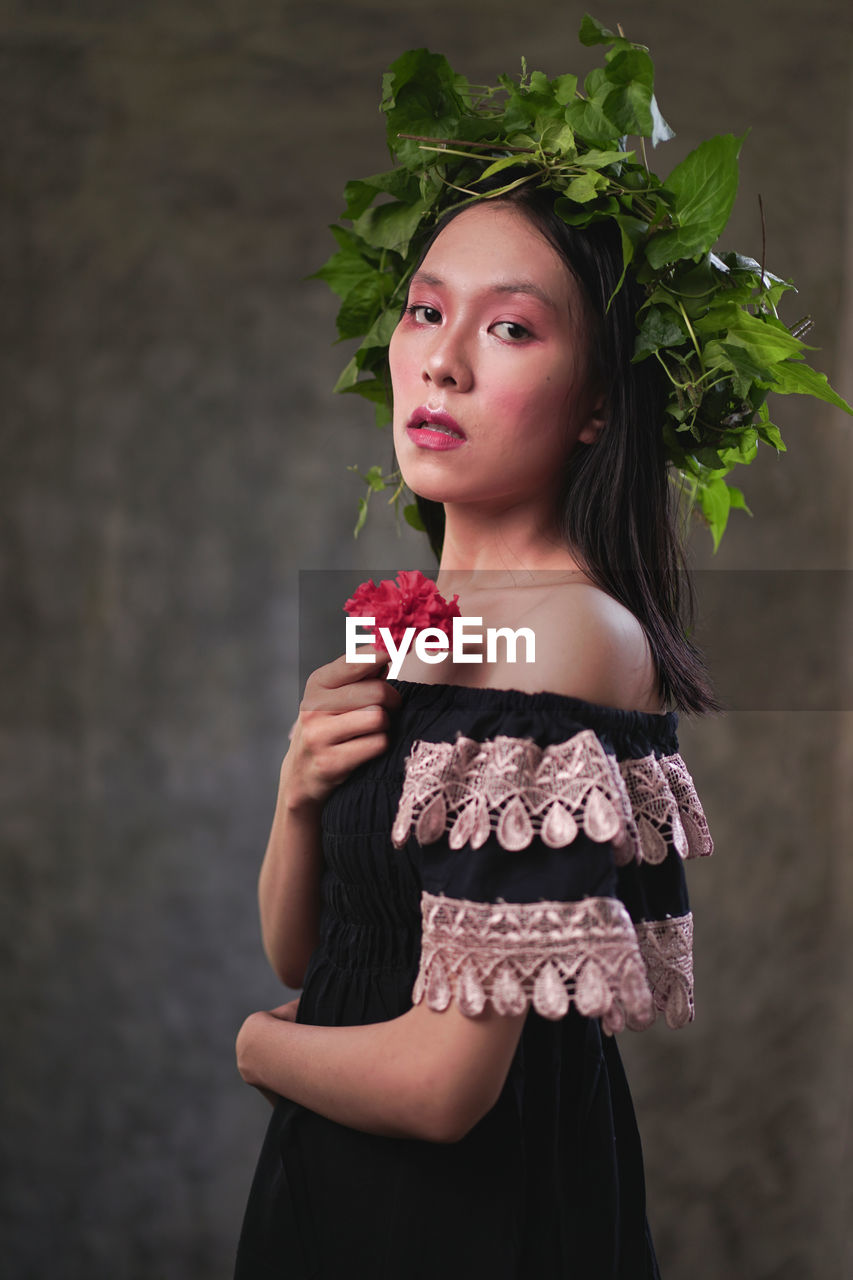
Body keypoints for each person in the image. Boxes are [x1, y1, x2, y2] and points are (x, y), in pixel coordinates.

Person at [232, 180, 716, 1278]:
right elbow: (317, 952)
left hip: (470, 1217)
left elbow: (445, 1087)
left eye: (508, 328)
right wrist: (298, 791)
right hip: (331, 1186)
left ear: (596, 401)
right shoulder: (425, 625)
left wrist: (257, 1044)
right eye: (424, 310)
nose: (444, 361)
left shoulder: (572, 637)